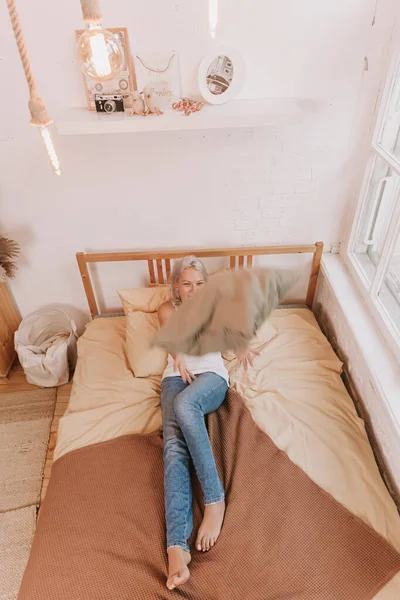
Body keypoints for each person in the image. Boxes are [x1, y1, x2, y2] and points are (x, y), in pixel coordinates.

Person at [158, 255, 257, 590]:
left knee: (187, 405)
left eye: (200, 283)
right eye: (187, 283)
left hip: (210, 378)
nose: (194, 289)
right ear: (176, 287)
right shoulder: (168, 310)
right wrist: (179, 356)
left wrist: (242, 348)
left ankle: (214, 500)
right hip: (175, 377)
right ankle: (176, 550)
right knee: (173, 450)